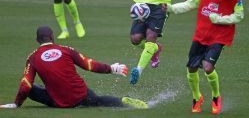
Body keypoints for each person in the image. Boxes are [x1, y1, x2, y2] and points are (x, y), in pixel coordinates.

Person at [168, 0, 244, 114]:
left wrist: (219, 18)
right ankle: (197, 97)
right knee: (191, 69)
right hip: (201, 35)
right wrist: (171, 8)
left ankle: (216, 96)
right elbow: (192, 3)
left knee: (208, 67)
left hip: (219, 37)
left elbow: (239, 15)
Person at [0, 26, 148, 109]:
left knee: (32, 89)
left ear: (37, 40)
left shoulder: (32, 57)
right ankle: (123, 102)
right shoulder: (66, 49)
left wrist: (16, 104)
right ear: (52, 37)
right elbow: (89, 64)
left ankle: (55, 96)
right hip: (80, 94)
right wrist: (112, 68)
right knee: (98, 100)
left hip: (60, 102)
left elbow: (25, 84)